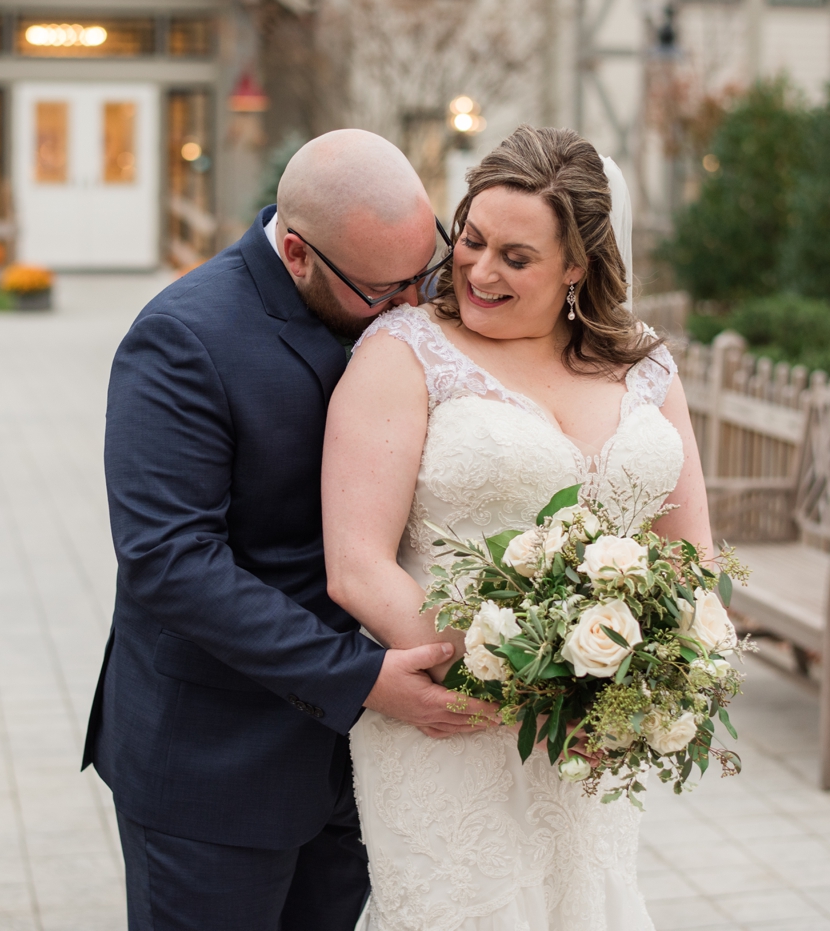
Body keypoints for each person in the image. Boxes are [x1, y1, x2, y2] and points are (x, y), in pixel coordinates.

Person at [83, 129, 496, 931]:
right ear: (299, 253)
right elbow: (170, 563)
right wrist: (358, 676)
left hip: (356, 772)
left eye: (428, 271)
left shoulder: (405, 307)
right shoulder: (182, 338)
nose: (415, 305)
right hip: (213, 772)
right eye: (386, 289)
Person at [323, 125, 712, 930]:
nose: (479, 268)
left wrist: (641, 697)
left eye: (516, 256)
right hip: (447, 721)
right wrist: (530, 684)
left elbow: (690, 558)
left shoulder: (645, 366)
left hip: (592, 746)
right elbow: (357, 565)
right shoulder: (405, 353)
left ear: (578, 267)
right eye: (471, 239)